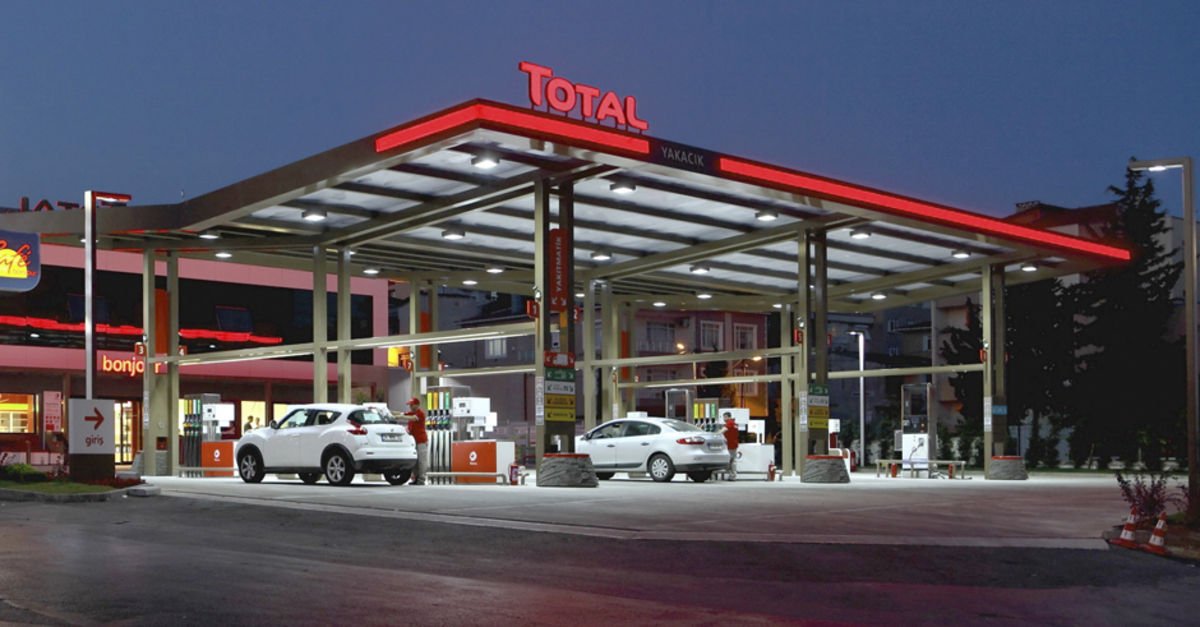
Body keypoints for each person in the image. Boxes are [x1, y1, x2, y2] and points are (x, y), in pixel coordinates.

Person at [402, 396, 428, 485]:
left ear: (417, 405)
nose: (410, 406)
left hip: (421, 441)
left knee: (421, 461)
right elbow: (402, 414)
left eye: (412, 405)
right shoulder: (412, 413)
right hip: (413, 441)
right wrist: (390, 413)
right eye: (409, 405)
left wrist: (397, 416)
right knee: (415, 461)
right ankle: (415, 478)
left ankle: (421, 479)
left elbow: (411, 418)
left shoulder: (420, 414)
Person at [720, 411, 738, 481]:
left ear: (727, 417)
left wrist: (715, 434)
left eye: (724, 417)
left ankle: (732, 476)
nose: (724, 419)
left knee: (731, 461)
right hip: (733, 444)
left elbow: (722, 431)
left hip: (730, 445)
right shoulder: (734, 423)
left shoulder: (730, 423)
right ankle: (732, 475)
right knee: (732, 461)